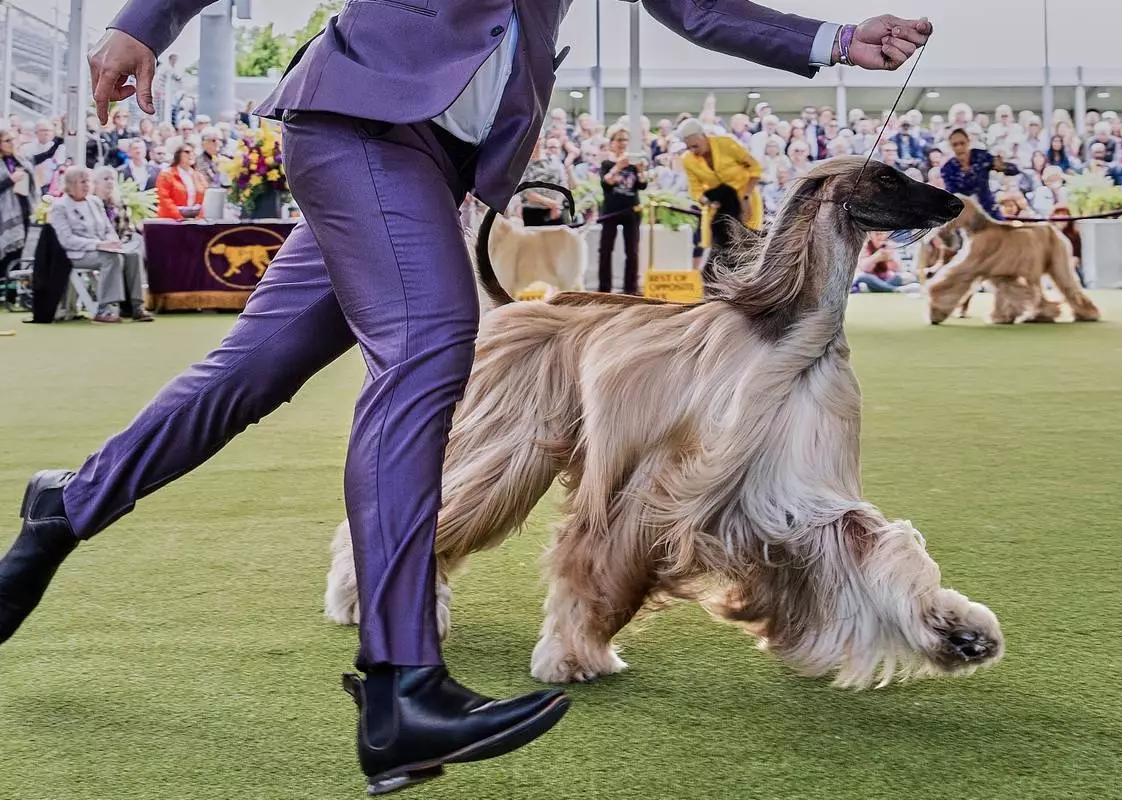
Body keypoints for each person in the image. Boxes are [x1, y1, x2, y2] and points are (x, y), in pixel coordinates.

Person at [0, 1, 934, 795]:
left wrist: (836, 40)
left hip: (440, 158)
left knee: (249, 374)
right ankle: (401, 681)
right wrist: (144, 23)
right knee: (427, 348)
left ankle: (66, 505)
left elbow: (692, 6)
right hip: (361, 119)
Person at [46, 166, 152, 323]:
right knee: (111, 258)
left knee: (133, 256)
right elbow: (67, 240)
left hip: (101, 248)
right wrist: (98, 244)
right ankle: (104, 309)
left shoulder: (95, 202)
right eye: (82, 182)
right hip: (75, 253)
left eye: (88, 181)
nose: (87, 185)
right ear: (71, 184)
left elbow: (108, 229)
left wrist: (113, 242)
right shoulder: (60, 206)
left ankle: (136, 307)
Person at [679, 117, 764, 254]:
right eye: (689, 147)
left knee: (749, 243)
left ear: (704, 136)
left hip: (745, 197)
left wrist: (746, 196)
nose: (692, 150)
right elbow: (695, 190)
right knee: (718, 248)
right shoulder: (687, 159)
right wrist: (708, 202)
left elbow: (755, 167)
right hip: (718, 205)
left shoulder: (726, 143)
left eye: (695, 146)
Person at [597, 125, 648, 295]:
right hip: (611, 212)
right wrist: (617, 167)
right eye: (619, 140)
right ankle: (604, 289)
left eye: (626, 140)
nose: (623, 143)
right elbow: (605, 184)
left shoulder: (634, 163)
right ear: (611, 142)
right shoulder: (606, 163)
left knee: (632, 251)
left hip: (631, 212)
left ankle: (630, 289)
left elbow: (642, 185)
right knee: (605, 250)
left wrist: (641, 171)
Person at [940, 128, 1021, 220]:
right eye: (955, 145)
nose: (959, 148)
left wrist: (1003, 167)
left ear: (969, 142)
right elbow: (953, 194)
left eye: (962, 143)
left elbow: (1015, 170)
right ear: (951, 147)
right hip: (965, 215)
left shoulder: (981, 156)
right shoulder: (947, 169)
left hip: (989, 210)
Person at [0, 129, 35, 308]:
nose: (12, 143)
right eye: (7, 140)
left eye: (13, 139)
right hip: (4, 214)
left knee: (18, 254)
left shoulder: (20, 160)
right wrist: (10, 180)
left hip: (23, 211)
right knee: (5, 254)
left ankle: (12, 296)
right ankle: (3, 292)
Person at [155, 144, 206, 220]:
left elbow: (203, 200)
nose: (191, 154)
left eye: (193, 152)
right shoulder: (166, 174)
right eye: (187, 152)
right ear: (178, 155)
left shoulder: (199, 176)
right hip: (171, 220)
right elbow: (164, 199)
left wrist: (198, 218)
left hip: (194, 221)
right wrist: (180, 217)